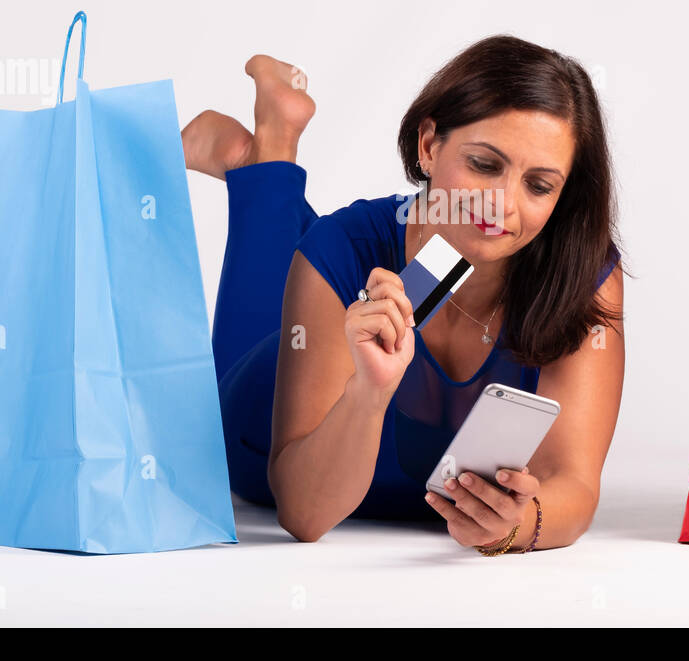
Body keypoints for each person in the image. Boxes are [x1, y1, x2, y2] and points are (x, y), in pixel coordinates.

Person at [182, 36, 627, 552]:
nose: (502, 206)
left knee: (328, 251)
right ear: (429, 145)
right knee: (317, 262)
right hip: (257, 434)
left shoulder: (580, 272)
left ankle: (262, 167)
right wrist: (368, 392)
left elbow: (573, 483)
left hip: (360, 259)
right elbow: (305, 516)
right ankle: (267, 159)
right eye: (484, 165)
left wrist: (516, 526)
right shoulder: (342, 248)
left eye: (539, 185)